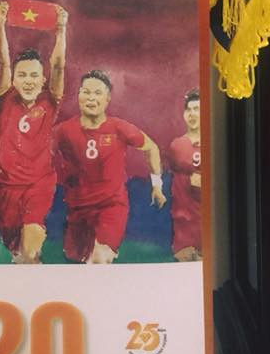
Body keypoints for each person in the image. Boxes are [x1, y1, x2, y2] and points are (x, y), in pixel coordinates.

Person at [54, 71, 166, 264]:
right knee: (76, 263)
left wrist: (157, 185)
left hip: (111, 206)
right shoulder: (64, 131)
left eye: (97, 93)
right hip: (77, 210)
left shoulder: (119, 128)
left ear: (107, 99)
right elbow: (39, 152)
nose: (91, 98)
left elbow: (151, 147)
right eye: (86, 92)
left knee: (99, 260)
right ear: (79, 95)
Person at [0, 0, 68, 263]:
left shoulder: (50, 101)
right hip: (3, 186)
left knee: (31, 249)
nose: (29, 81)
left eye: (34, 76)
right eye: (22, 75)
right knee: (18, 255)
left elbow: (58, 66)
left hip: (38, 182)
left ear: (42, 80)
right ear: (14, 79)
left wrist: (61, 29)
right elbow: (1, 63)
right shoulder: (4, 98)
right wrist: (0, 25)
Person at [162, 88, 202, 261]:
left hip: (208, 224)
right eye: (189, 109)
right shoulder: (177, 146)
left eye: (197, 109)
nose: (192, 114)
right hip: (184, 224)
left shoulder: (214, 143)